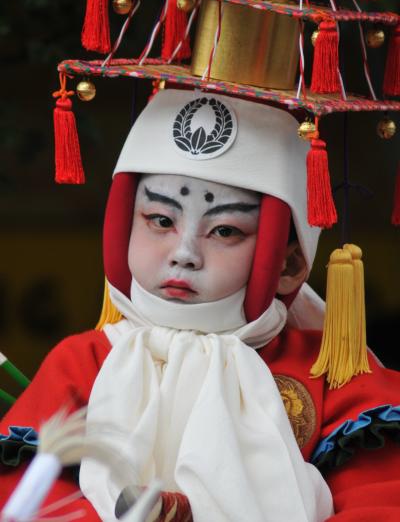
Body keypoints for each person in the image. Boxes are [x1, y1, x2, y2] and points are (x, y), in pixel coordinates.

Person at [1, 89, 400, 521]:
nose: (184, 253)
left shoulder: (333, 372)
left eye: (225, 230)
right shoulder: (85, 361)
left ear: (287, 264)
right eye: (161, 220)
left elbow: (381, 499)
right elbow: (26, 490)